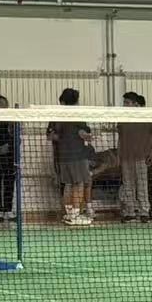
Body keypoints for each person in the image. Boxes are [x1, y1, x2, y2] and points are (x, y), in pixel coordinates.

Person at [49, 88, 94, 226]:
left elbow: (51, 136)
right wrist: (86, 136)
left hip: (62, 157)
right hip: (77, 155)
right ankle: (75, 214)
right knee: (79, 183)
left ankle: (68, 214)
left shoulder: (56, 117)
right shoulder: (77, 115)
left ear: (62, 101)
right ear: (76, 101)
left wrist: (64, 138)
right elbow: (83, 133)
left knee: (68, 184)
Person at [117, 92, 152, 222]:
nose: (125, 105)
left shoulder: (146, 117)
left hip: (142, 157)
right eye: (124, 103)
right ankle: (130, 212)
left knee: (142, 185)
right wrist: (119, 155)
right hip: (126, 157)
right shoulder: (121, 119)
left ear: (135, 104)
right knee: (127, 185)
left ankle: (144, 212)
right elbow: (120, 138)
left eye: (127, 103)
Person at [0, 96, 17, 221]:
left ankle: (8, 209)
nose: (3, 106)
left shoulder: (12, 119)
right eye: (0, 103)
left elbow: (16, 136)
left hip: (9, 155)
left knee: (9, 182)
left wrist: (8, 146)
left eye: (5, 104)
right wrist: (0, 147)